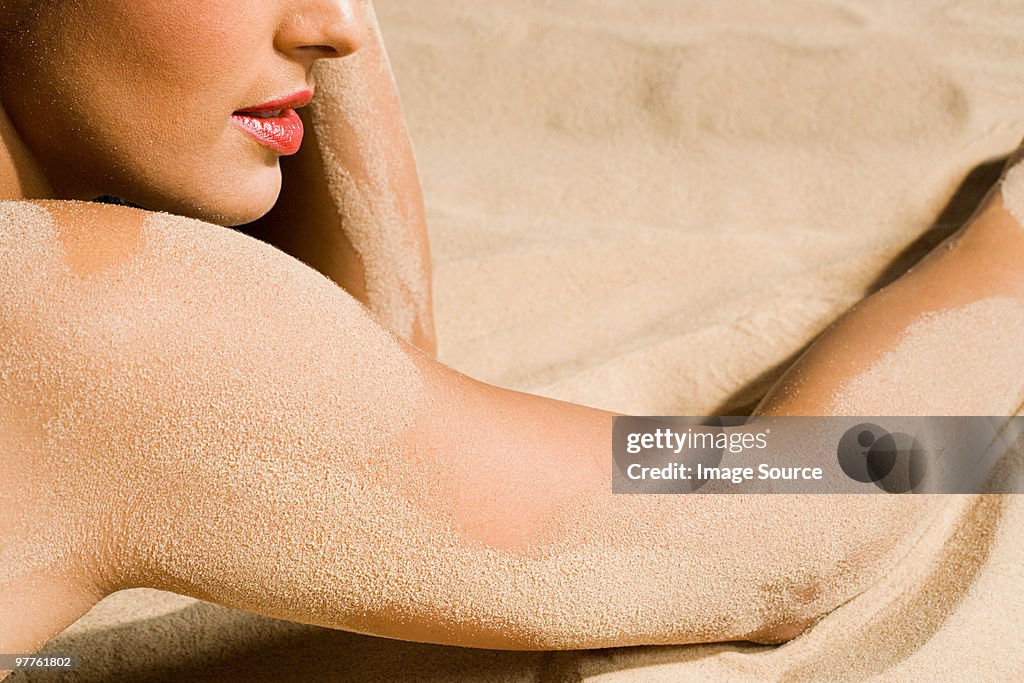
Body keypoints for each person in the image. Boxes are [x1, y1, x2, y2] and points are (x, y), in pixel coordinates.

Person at [1, 0, 1022, 666]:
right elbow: (784, 521)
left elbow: (349, 391)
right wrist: (1007, 250)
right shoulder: (92, 321)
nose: (338, 30)